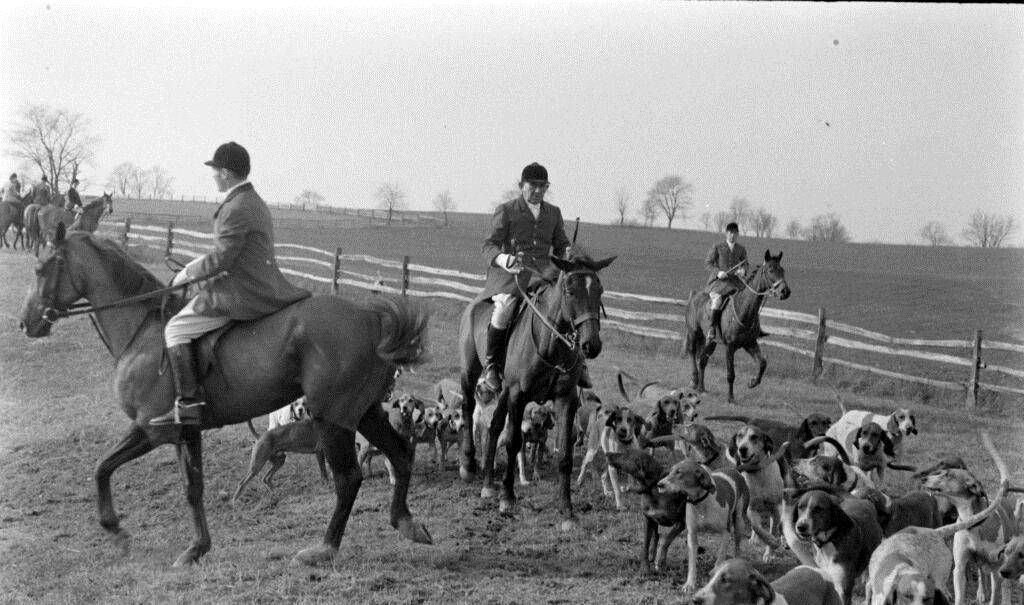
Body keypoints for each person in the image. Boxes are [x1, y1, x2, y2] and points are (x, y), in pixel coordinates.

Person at [149, 142, 311, 427]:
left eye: (215, 170)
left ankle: (189, 405)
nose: (213, 176)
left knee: (175, 328)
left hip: (242, 292)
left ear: (225, 172)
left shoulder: (236, 207)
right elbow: (232, 251)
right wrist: (196, 266)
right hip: (259, 281)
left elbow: (223, 258)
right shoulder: (253, 201)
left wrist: (187, 274)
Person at [475, 162, 571, 401]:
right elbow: (488, 245)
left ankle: (576, 368)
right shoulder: (507, 210)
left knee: (567, 309)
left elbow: (561, 245)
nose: (538, 191)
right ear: (521, 186)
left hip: (544, 277)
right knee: (505, 308)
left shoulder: (553, 213)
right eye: (533, 186)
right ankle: (492, 367)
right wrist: (503, 258)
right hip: (511, 278)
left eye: (543, 186)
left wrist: (569, 253)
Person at [704, 221, 749, 344]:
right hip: (719, 283)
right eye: (730, 233)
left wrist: (743, 270)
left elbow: (745, 264)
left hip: (735, 283)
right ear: (726, 233)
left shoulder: (741, 249)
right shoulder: (718, 247)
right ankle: (712, 329)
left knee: (747, 300)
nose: (733, 235)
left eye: (735, 233)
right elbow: (708, 263)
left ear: (738, 234)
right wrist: (718, 272)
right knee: (717, 301)